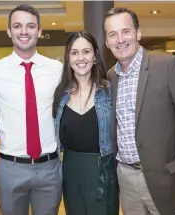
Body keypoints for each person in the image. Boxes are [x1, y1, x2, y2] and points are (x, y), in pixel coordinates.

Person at [103, 7, 175, 215]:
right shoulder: (110, 78)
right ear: (107, 42)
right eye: (112, 34)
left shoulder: (168, 65)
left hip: (167, 180)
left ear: (138, 33)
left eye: (126, 31)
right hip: (126, 179)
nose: (120, 39)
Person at [0, 4, 62, 215]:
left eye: (30, 26)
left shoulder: (57, 70)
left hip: (49, 168)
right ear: (9, 31)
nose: (24, 31)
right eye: (17, 26)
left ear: (39, 30)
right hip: (11, 168)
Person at [52, 31, 119, 215]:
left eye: (86, 51)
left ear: (95, 56)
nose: (80, 58)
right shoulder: (60, 95)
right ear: (68, 58)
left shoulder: (110, 91)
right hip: (70, 170)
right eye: (74, 53)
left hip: (102, 170)